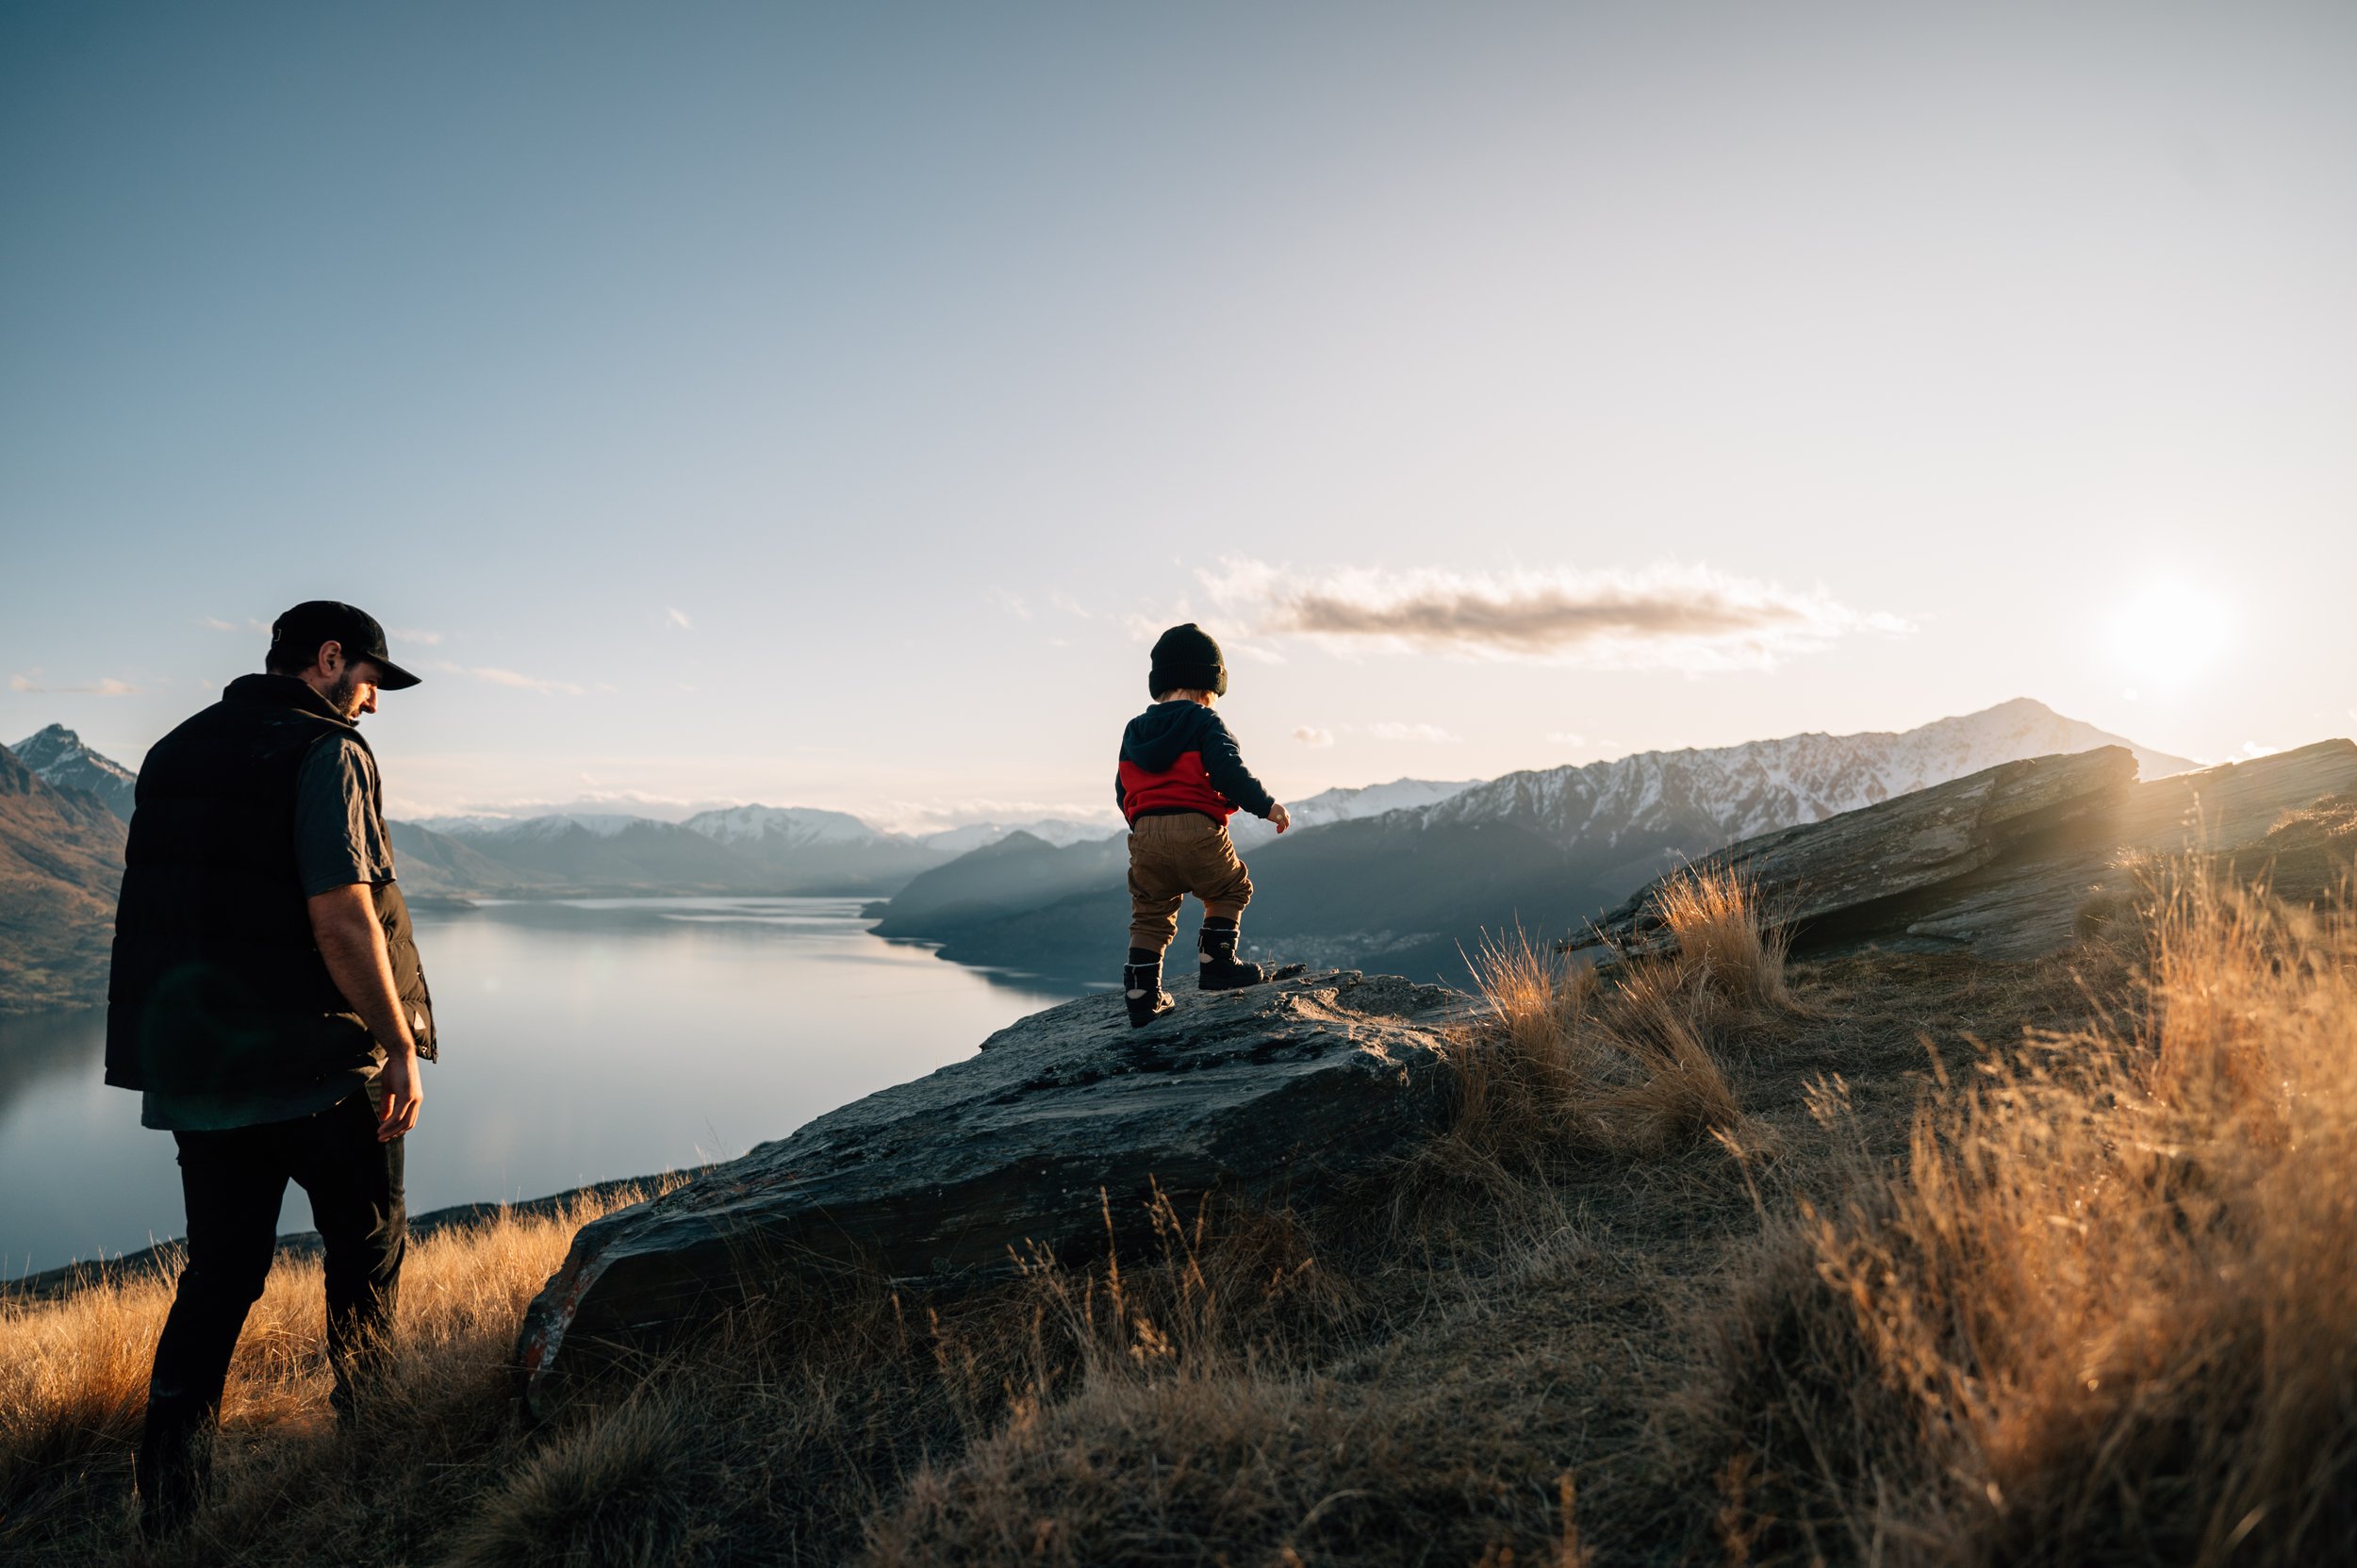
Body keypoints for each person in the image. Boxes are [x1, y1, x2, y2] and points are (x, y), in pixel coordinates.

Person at [107, 601, 437, 1537]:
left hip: (203, 1073)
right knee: (366, 1252)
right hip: (322, 1064)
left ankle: (168, 1501)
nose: (371, 702)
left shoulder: (175, 750)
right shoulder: (326, 750)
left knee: (218, 1277)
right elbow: (342, 915)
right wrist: (401, 1045)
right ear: (329, 660)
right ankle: (377, 1451)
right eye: (370, 678)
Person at [1114, 623, 1292, 1027]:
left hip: (1144, 835)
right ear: (1207, 685)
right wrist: (1267, 807)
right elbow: (1230, 773)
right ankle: (1217, 965)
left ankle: (1141, 995)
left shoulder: (1134, 731)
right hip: (1198, 829)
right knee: (1230, 888)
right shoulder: (1205, 723)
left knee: (1151, 912)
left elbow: (1123, 787)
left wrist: (1141, 821)